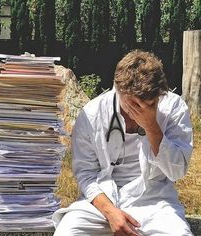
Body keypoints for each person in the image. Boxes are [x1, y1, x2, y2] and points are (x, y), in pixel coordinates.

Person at [53, 50, 193, 236]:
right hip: (101, 199)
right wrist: (110, 212)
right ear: (118, 90)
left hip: (154, 200)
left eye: (150, 104)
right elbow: (86, 174)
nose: (141, 109)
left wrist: (151, 126)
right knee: (68, 232)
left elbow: (177, 171)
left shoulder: (173, 107)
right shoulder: (92, 113)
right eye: (133, 105)